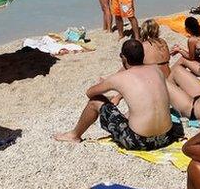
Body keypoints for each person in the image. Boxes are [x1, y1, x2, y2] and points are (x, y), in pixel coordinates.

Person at [54, 40, 182, 150]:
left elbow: (90, 93)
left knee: (95, 101)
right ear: (143, 56)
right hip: (167, 137)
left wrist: (107, 88)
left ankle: (74, 135)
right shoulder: (156, 70)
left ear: (124, 57)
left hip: (139, 141)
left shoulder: (119, 78)